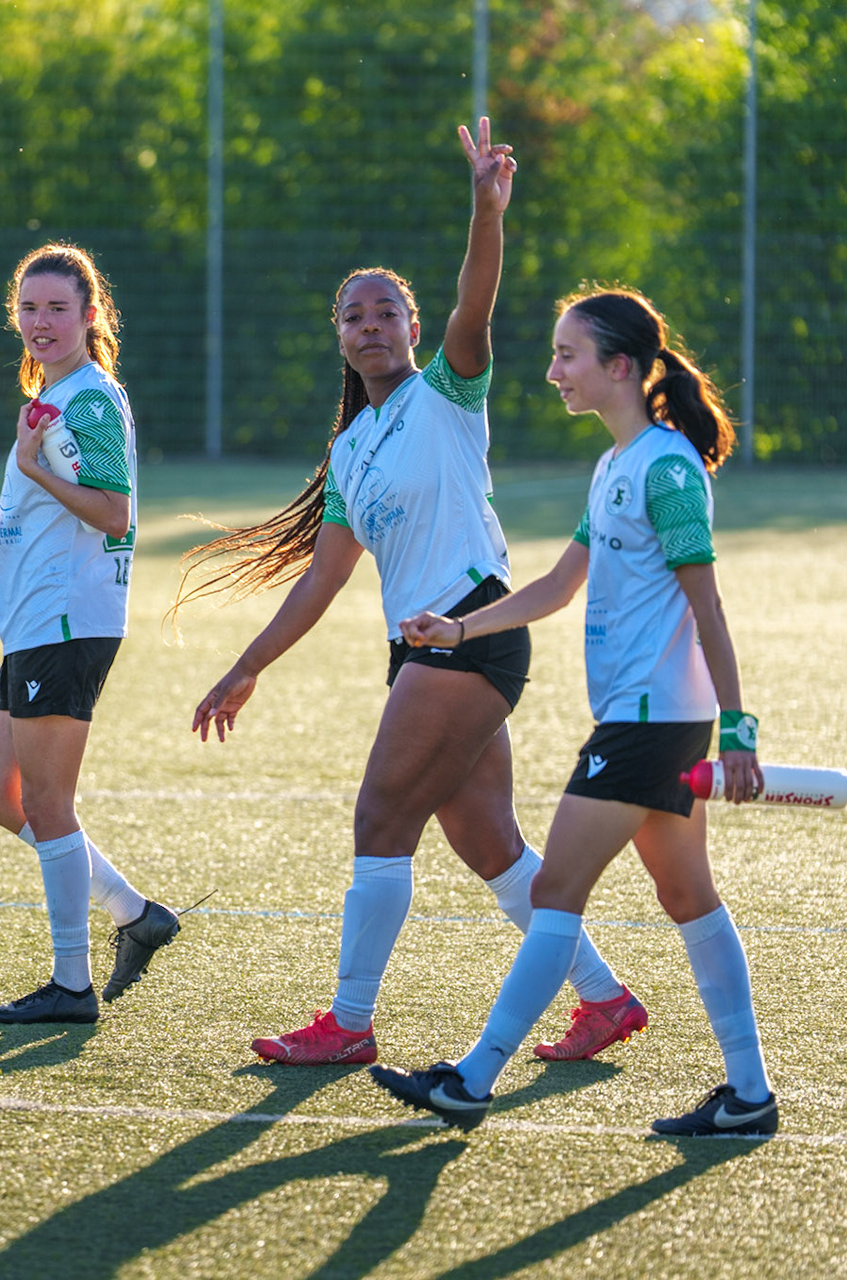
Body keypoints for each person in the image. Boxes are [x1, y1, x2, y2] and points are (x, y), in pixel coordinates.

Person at [176, 120, 644, 1067]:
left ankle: (348, 1023)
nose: (372, 324)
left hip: (468, 633)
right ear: (340, 340)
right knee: (491, 847)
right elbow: (323, 578)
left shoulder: (449, 390)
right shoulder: (350, 452)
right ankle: (605, 998)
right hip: (422, 648)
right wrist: (245, 667)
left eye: (387, 310)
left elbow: (479, 294)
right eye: (355, 315)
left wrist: (486, 205)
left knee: (380, 819)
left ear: (414, 328)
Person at [368, 286, 778, 1136]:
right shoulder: (615, 466)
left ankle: (472, 1081)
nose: (553, 371)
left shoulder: (664, 469)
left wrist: (738, 731)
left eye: (568, 356)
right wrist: (457, 627)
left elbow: (710, 609)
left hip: (650, 724)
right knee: (687, 894)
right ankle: (749, 1094)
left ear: (617, 367)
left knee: (556, 889)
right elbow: (559, 585)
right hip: (645, 720)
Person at [0, 243, 182, 1025]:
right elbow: (64, 502)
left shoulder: (87, 398)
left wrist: (38, 476)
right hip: (34, 623)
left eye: (57, 308)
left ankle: (71, 985)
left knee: (48, 803)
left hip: (67, 622)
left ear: (92, 316)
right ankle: (134, 913)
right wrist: (4, 521)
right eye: (28, 307)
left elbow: (114, 511)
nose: (40, 322)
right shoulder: (50, 398)